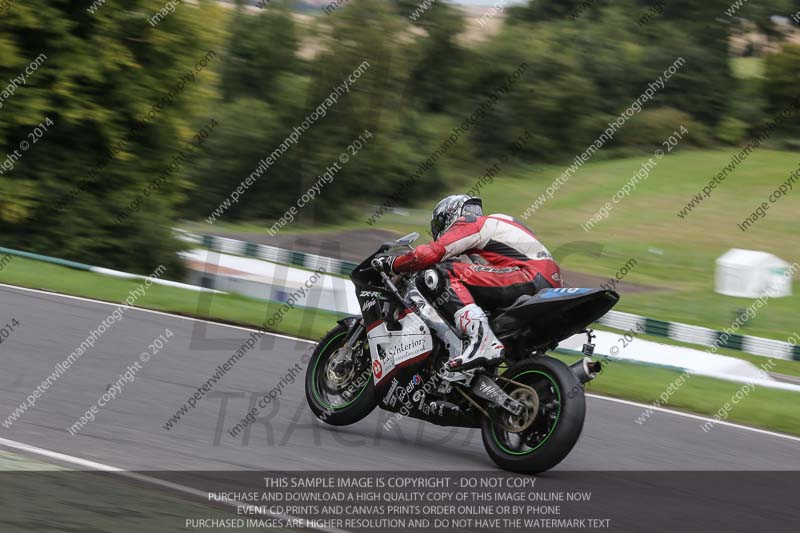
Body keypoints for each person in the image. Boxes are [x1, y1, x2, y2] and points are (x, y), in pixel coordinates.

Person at [372, 195, 562, 371]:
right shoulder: (497, 228)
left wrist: (393, 264)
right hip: (548, 282)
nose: (439, 229)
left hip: (527, 275)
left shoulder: (470, 223)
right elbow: (479, 275)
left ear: (451, 214)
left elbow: (428, 253)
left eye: (439, 223)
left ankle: (482, 340)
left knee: (440, 272)